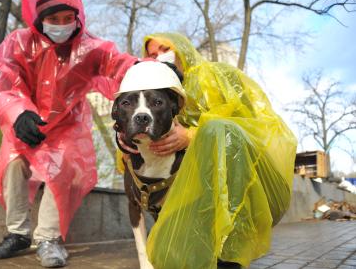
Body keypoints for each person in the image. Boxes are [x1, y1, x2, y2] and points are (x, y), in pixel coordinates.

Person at [0, 0, 137, 267]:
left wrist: (149, 70)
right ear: (40, 19)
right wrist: (18, 114)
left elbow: (120, 65)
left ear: (77, 18)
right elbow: (7, 83)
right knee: (14, 162)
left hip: (67, 125)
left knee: (62, 164)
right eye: (54, 19)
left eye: (68, 18)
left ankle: (49, 239)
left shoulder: (90, 48)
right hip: (27, 121)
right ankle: (17, 233)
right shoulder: (20, 43)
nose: (61, 25)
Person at [118, 32, 297, 268]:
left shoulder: (217, 75)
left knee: (219, 131)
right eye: (152, 55)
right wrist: (126, 139)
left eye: (165, 49)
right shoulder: (152, 95)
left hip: (254, 177)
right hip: (193, 188)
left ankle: (230, 249)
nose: (160, 57)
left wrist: (192, 135)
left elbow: (250, 124)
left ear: (181, 47)